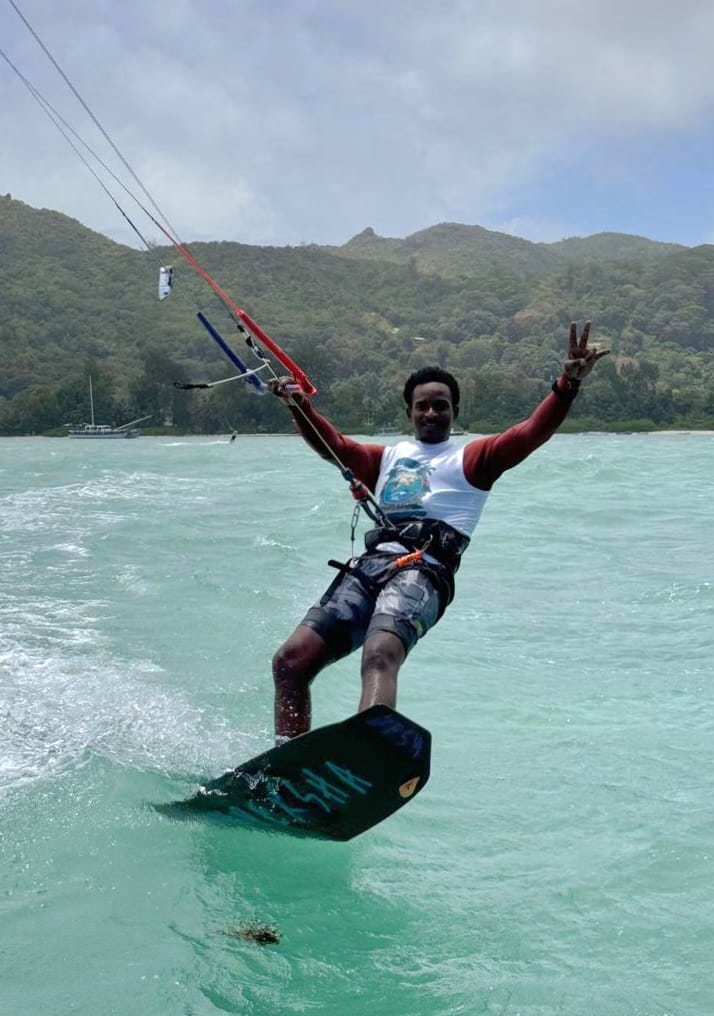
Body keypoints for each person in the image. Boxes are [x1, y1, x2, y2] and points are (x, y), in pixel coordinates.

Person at [269, 321, 608, 741]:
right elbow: (334, 446)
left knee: (380, 652)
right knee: (291, 660)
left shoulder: (473, 458)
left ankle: (369, 748)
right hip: (370, 567)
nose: (431, 413)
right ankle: (287, 760)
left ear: (455, 412)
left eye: (441, 406)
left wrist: (566, 385)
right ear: (410, 411)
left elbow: (531, 432)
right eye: (422, 406)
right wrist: (299, 407)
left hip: (423, 571)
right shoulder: (385, 458)